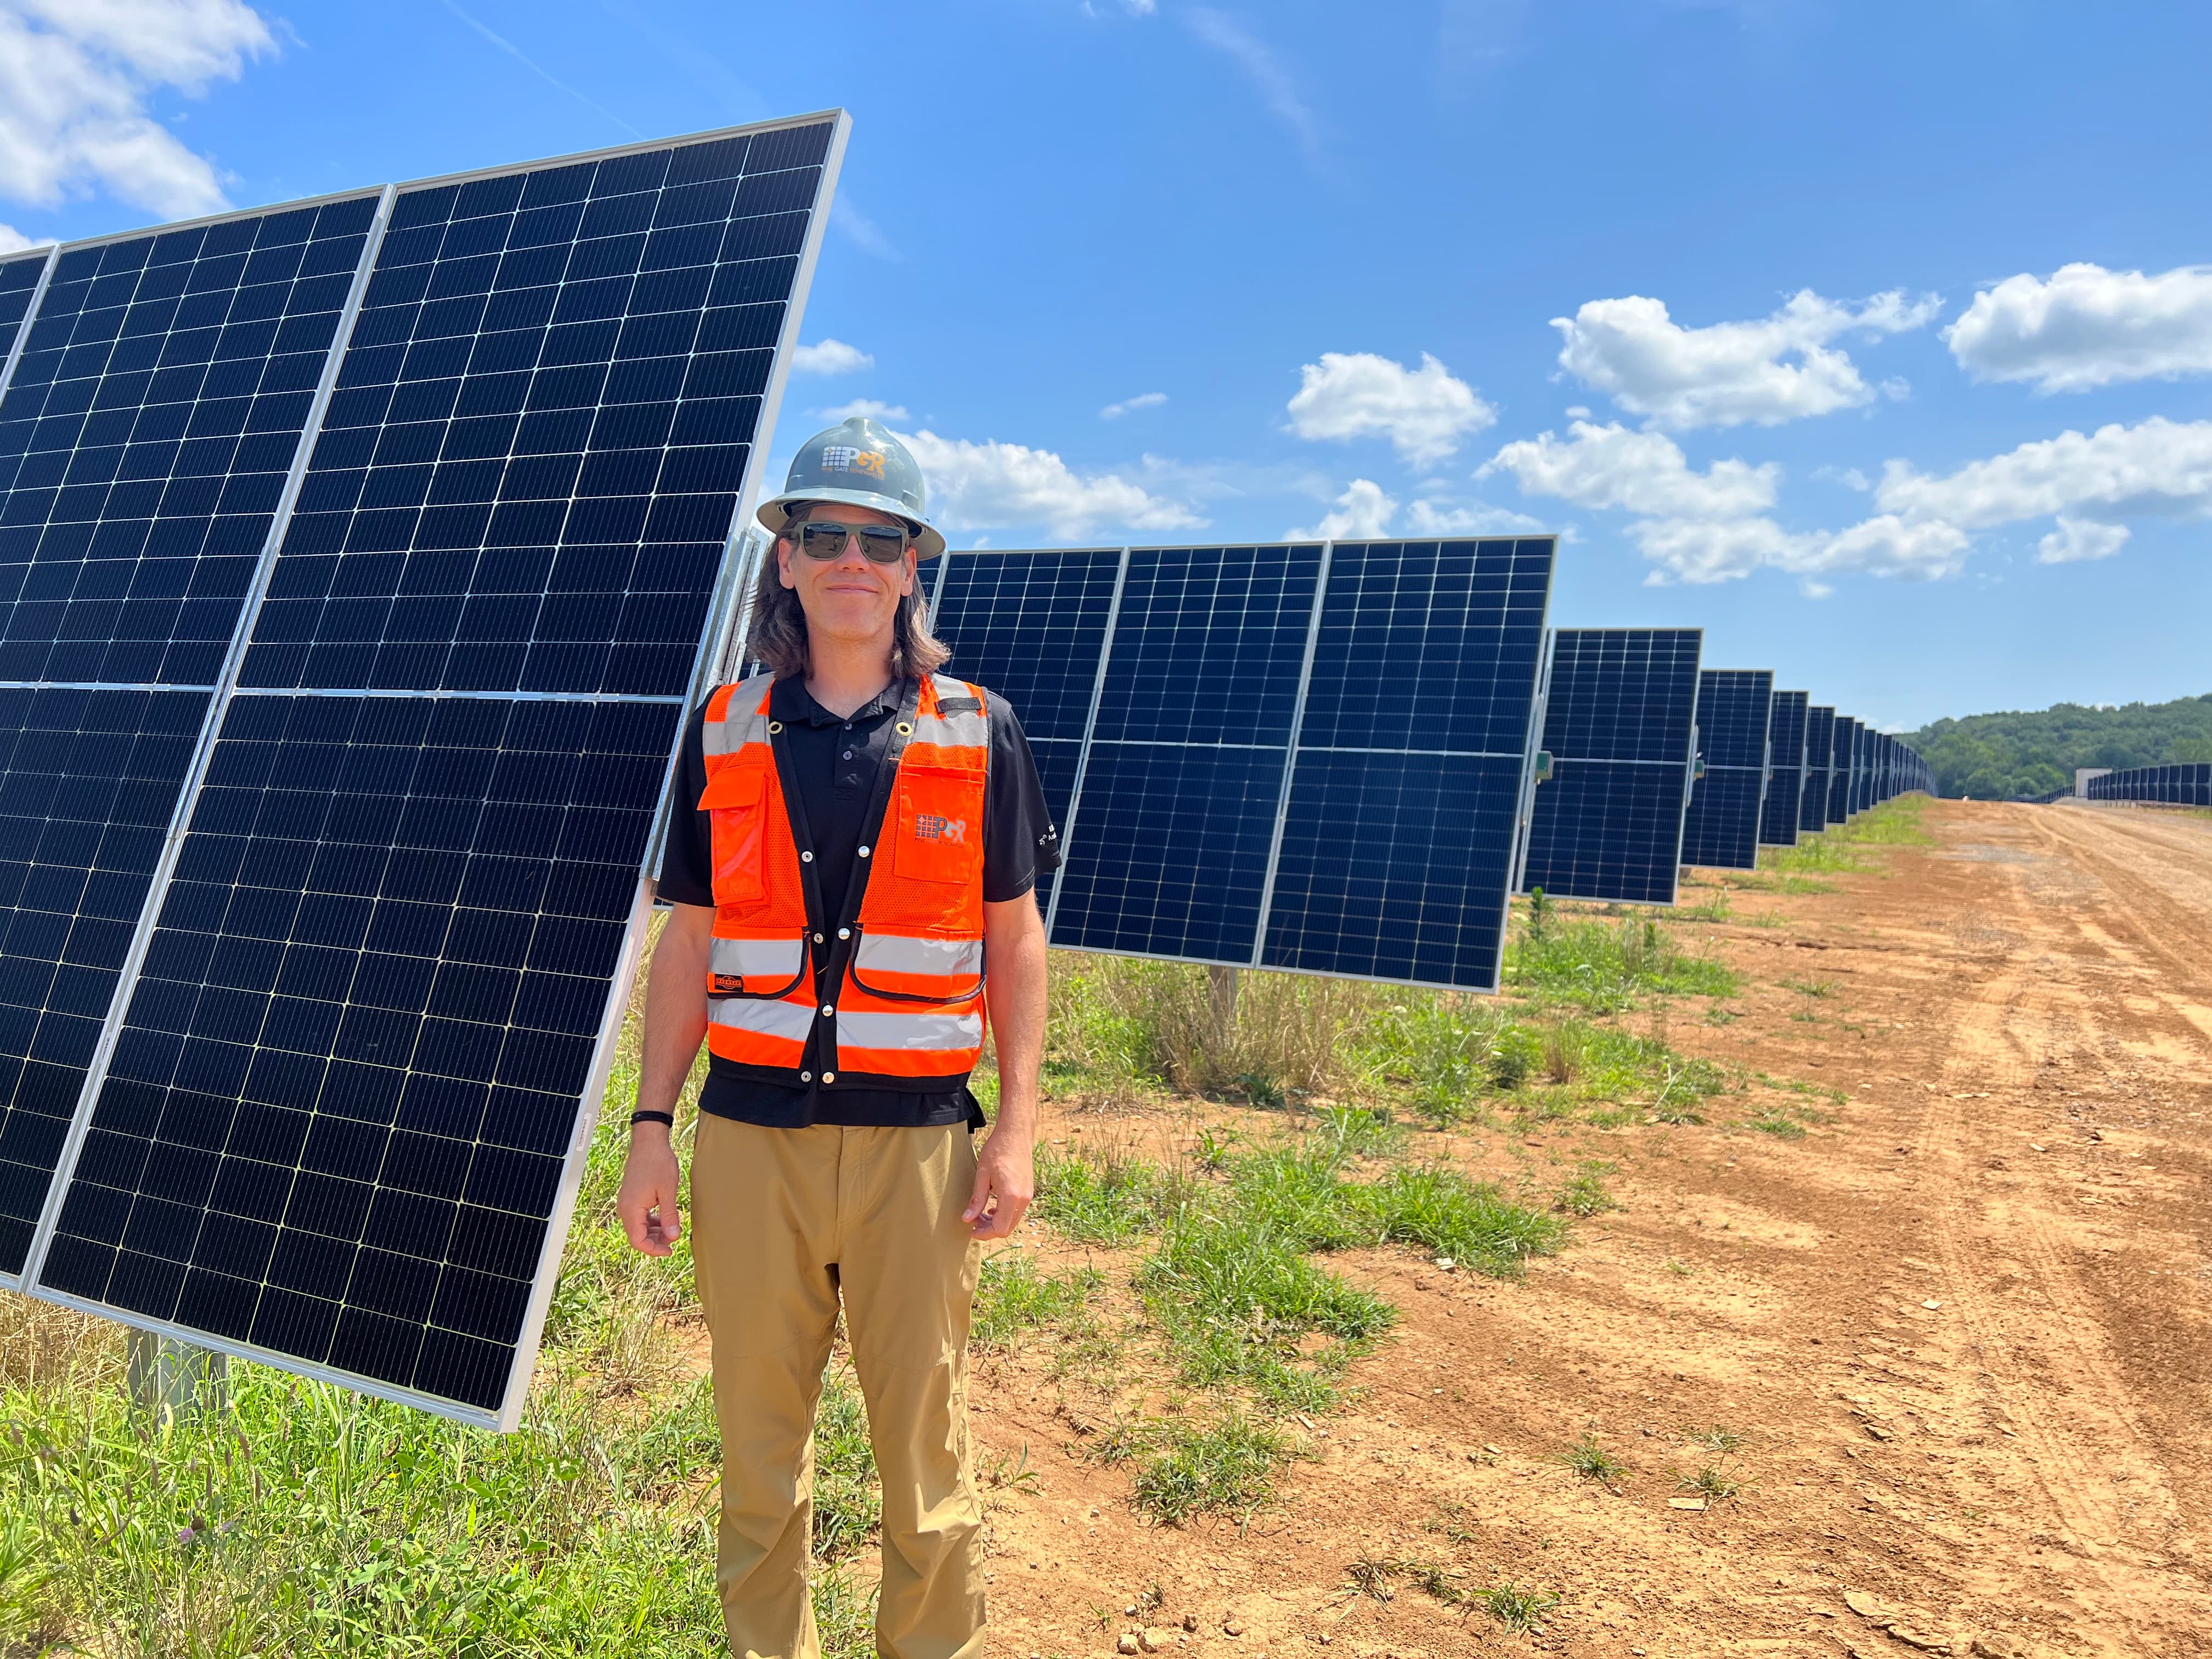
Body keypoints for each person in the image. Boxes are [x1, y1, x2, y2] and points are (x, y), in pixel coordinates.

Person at [616, 417, 1056, 1659]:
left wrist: (1017, 1128)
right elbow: (690, 944)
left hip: (919, 1147)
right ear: (789, 561)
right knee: (758, 1461)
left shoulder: (981, 729)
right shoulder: (724, 727)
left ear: (914, 563)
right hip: (751, 1142)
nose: (852, 559)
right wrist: (650, 1129)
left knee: (925, 1459)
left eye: (879, 538)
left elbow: (1015, 941)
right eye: (825, 535)